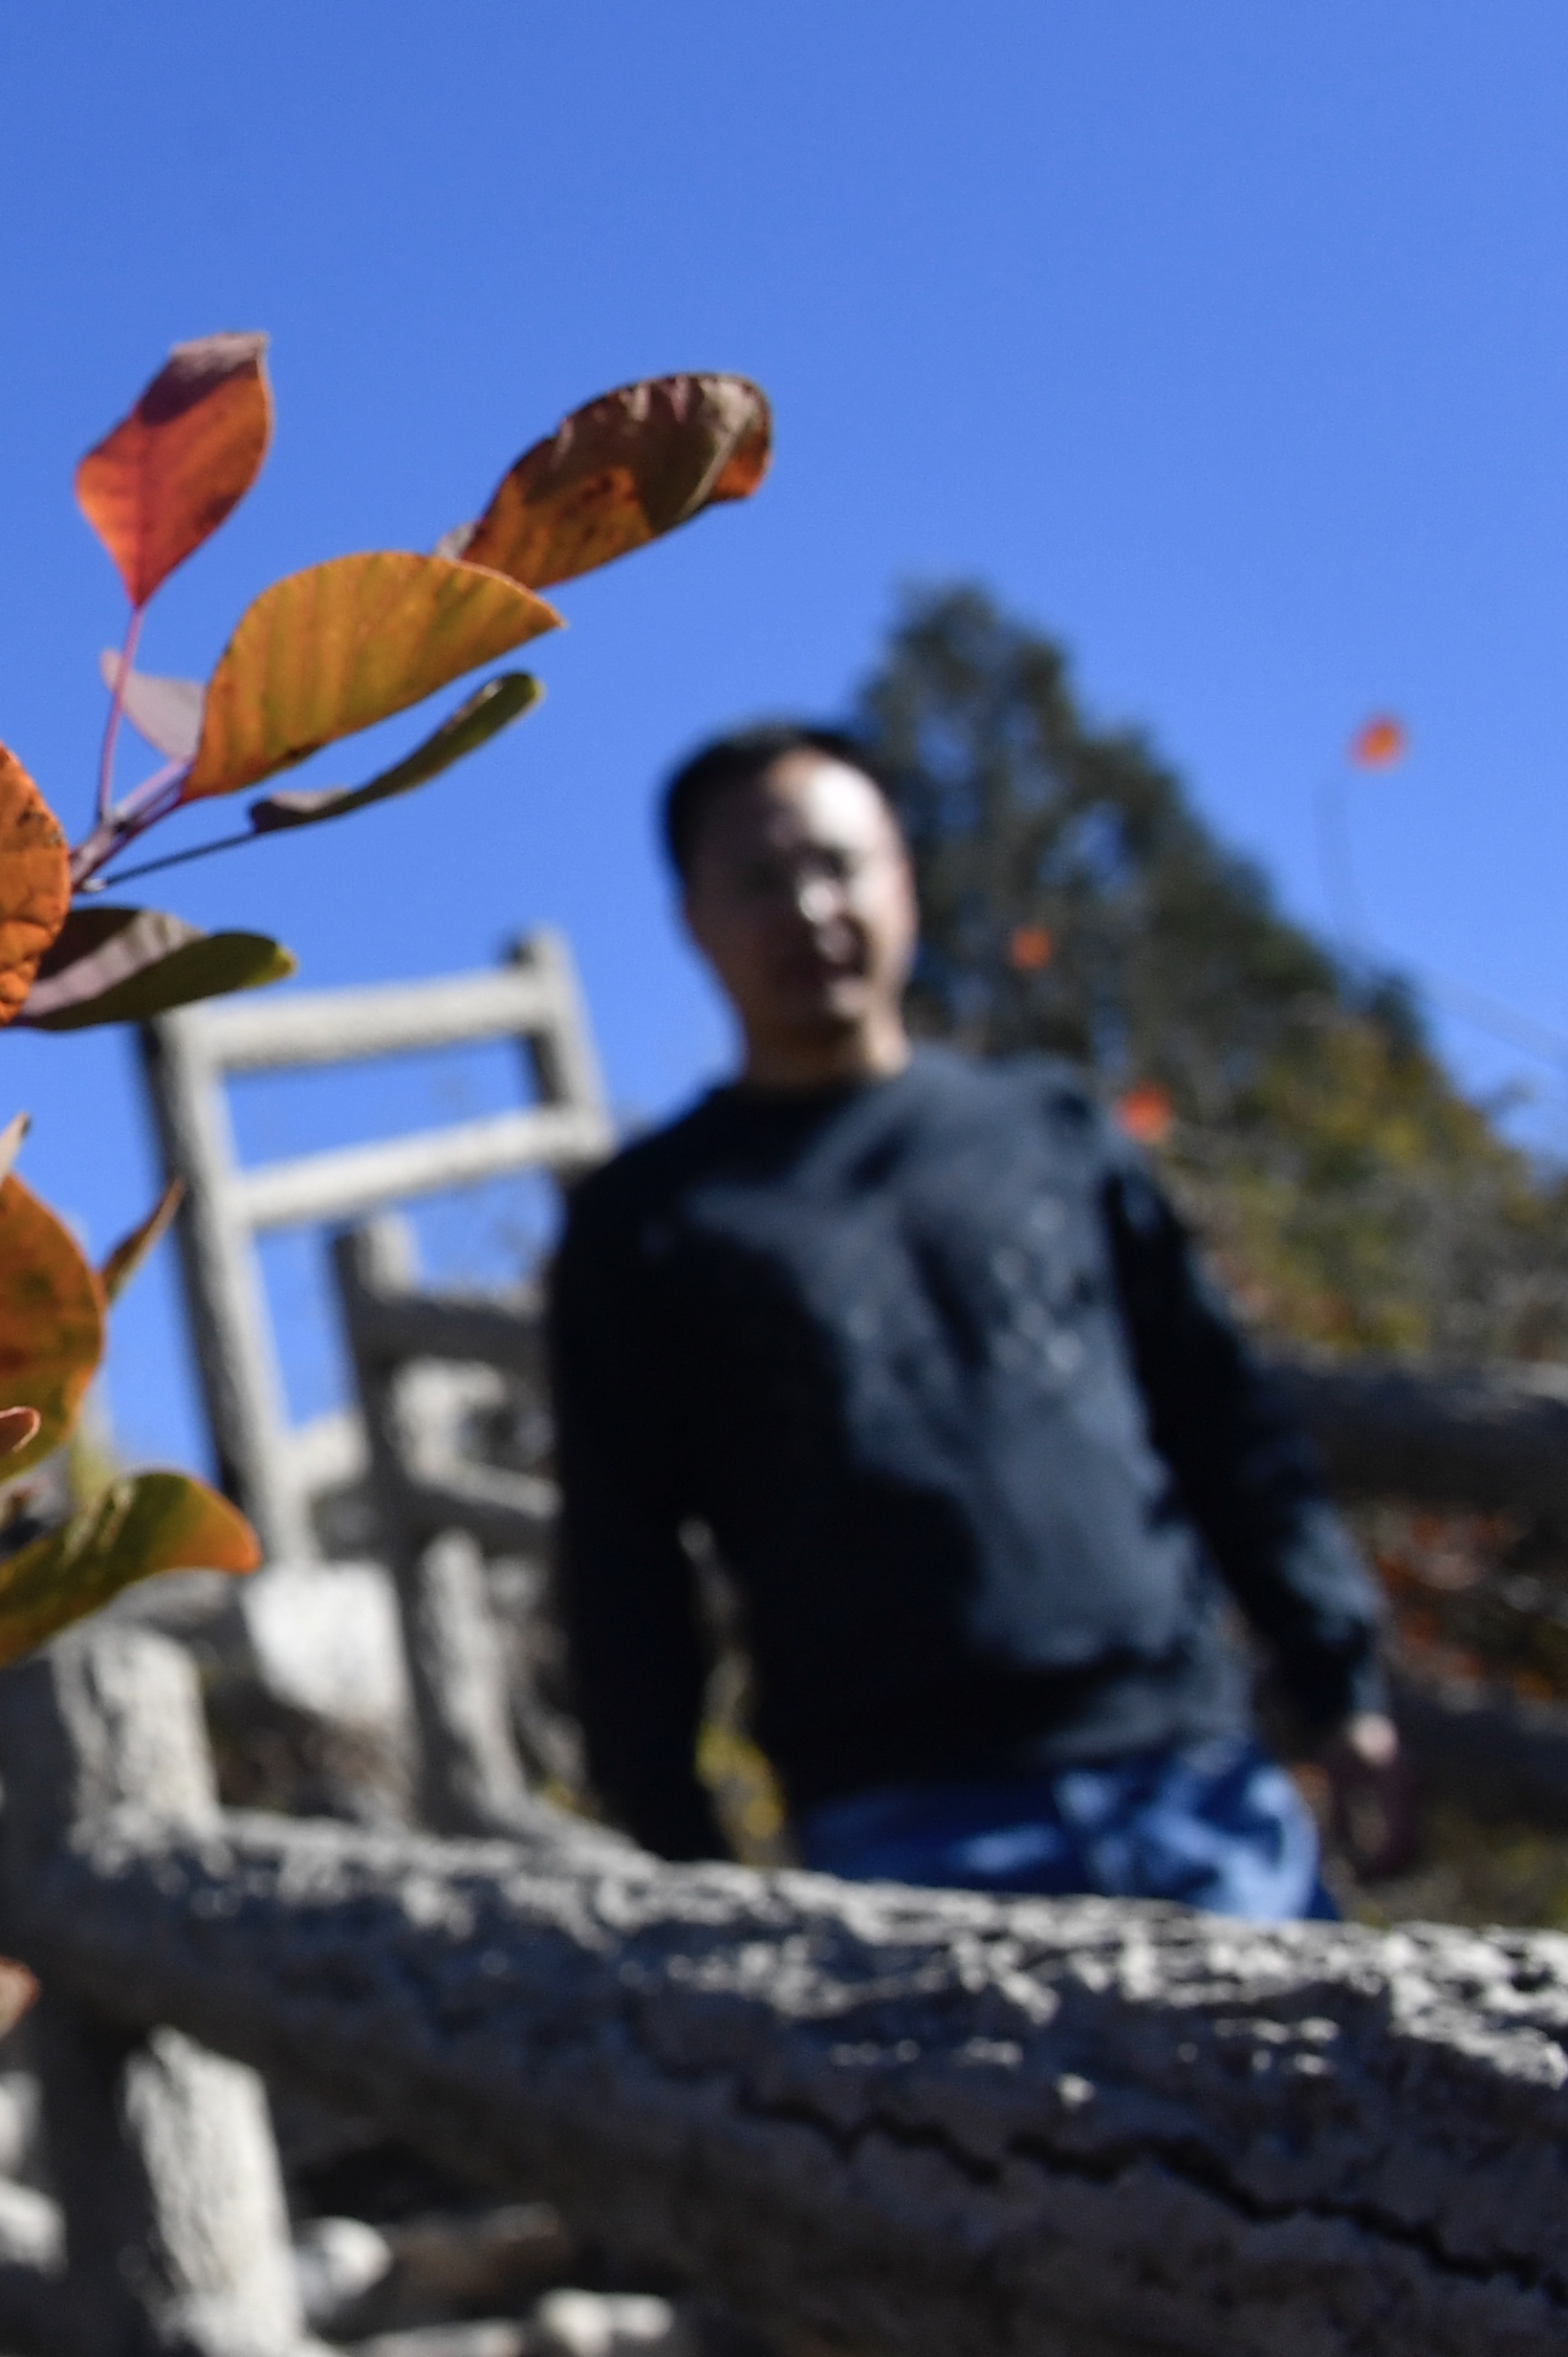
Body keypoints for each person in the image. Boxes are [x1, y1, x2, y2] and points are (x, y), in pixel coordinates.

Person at [549, 723, 1411, 1914]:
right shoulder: (644, 1224)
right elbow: (622, 1560)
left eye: (839, 866)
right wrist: (676, 1845)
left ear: (901, 880)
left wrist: (1337, 1682)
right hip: (897, 1827)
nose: (807, 908)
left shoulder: (1048, 1132)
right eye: (757, 878)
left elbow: (1217, 1412)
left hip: (1192, 1784)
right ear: (689, 919)